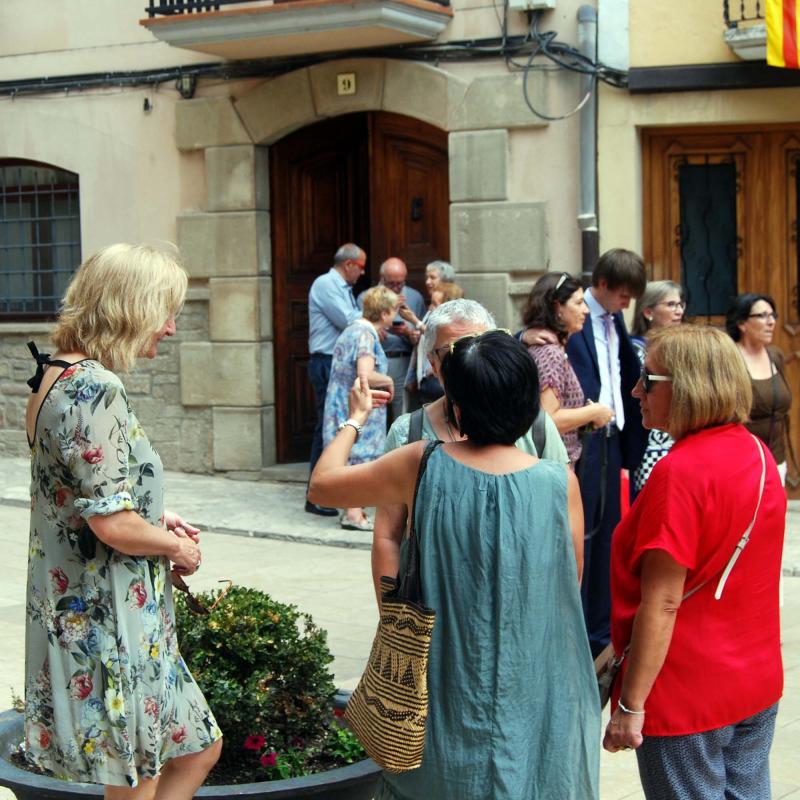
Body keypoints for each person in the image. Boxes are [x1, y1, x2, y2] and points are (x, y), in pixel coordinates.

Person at [309, 331, 600, 799]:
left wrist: (355, 419)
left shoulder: (420, 463)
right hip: (537, 676)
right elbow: (569, 584)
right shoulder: (558, 482)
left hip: (440, 675)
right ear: (530, 405)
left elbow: (322, 486)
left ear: (457, 408)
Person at [23, 244, 222, 799]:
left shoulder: (55, 376)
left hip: (115, 609)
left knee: (199, 747)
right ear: (131, 308)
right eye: (166, 310)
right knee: (137, 779)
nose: (173, 327)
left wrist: (156, 516)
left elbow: (87, 496)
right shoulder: (95, 388)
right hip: (111, 616)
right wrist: (174, 548)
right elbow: (112, 525)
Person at [603, 325, 786, 800]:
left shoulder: (680, 473)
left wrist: (631, 704)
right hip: (753, 679)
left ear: (688, 387)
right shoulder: (757, 452)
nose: (635, 389)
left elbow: (662, 602)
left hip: (687, 692)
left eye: (649, 378)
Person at [377, 298, 571, 600]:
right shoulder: (409, 434)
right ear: (432, 363)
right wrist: (390, 618)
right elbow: (388, 534)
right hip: (433, 608)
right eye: (454, 351)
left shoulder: (535, 427)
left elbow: (565, 531)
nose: (470, 361)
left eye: (480, 347)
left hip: (521, 601)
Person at [565, 248, 647, 657]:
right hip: (586, 434)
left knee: (610, 531)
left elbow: (622, 369)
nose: (628, 304)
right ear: (602, 285)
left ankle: (601, 626)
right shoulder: (575, 318)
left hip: (615, 434)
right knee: (587, 530)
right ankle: (579, 624)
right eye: (623, 295)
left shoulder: (613, 319)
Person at [323, 286, 397, 531]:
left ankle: (351, 511)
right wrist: (388, 380)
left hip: (339, 403)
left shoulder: (352, 329)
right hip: (357, 405)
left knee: (348, 456)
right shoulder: (366, 334)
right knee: (358, 458)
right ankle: (354, 514)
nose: (395, 314)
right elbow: (364, 376)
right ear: (384, 311)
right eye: (394, 309)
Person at [520, 272, 613, 466]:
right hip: (553, 467)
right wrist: (594, 412)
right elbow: (548, 420)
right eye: (579, 303)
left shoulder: (548, 347)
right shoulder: (550, 353)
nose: (586, 310)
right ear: (557, 307)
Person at [306, 243, 367, 516]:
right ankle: (316, 494)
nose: (363, 273)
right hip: (325, 362)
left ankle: (329, 489)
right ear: (349, 265)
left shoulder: (342, 287)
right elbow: (349, 320)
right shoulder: (327, 284)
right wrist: (373, 321)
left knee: (336, 424)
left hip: (335, 363)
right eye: (362, 267)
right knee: (326, 425)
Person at [726, 292, 796, 487]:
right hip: (740, 462)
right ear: (742, 323)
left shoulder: (775, 355)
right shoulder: (729, 360)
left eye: (773, 315)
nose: (771, 322)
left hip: (776, 459)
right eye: (763, 316)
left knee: (774, 516)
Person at [629, 280, 685, 491]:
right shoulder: (636, 349)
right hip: (650, 447)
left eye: (680, 304)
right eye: (670, 305)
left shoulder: (677, 347)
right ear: (648, 312)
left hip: (677, 441)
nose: (678, 310)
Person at [358, 257, 426, 426]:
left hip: (401, 360)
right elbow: (357, 327)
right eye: (391, 284)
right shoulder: (366, 297)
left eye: (400, 284)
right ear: (382, 279)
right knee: (370, 411)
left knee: (401, 417)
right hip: (371, 361)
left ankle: (400, 451)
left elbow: (423, 336)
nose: (396, 289)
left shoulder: (414, 297)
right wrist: (373, 331)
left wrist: (408, 333)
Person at [403, 279, 464, 407]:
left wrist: (415, 321)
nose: (431, 308)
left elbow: (443, 338)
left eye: (435, 304)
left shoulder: (457, 325)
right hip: (426, 381)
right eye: (430, 303)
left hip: (439, 384)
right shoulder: (431, 317)